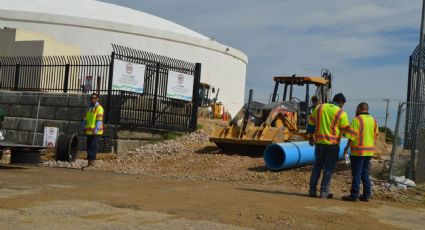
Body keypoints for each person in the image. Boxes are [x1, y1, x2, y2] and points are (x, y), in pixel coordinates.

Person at [307, 93, 349, 199]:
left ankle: (312, 191)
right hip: (333, 145)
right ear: (340, 103)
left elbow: (311, 124)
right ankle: (324, 192)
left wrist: (310, 138)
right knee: (328, 168)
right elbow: (345, 130)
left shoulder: (319, 107)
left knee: (317, 166)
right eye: (343, 104)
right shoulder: (341, 113)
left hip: (319, 143)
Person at [342, 102, 378, 202]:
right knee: (365, 173)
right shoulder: (373, 120)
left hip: (358, 152)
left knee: (357, 173)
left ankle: (354, 195)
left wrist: (346, 149)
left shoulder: (356, 120)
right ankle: (366, 195)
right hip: (369, 152)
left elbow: (351, 137)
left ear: (359, 108)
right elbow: (375, 135)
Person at [82, 93, 104, 170]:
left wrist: (96, 129)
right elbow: (85, 118)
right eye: (91, 98)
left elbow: (99, 120)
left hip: (95, 132)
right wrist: (83, 127)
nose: (93, 99)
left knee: (93, 147)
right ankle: (89, 164)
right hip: (89, 131)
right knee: (89, 147)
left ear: (97, 99)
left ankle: (91, 164)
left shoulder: (99, 108)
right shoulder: (90, 108)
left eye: (94, 98)